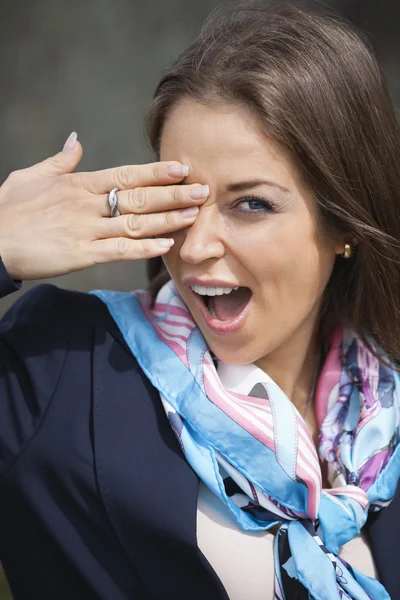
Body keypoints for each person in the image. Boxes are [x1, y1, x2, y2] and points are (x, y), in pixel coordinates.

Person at [0, 1, 399, 598]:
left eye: (251, 204)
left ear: (343, 224)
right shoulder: (62, 367)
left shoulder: (386, 411)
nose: (195, 248)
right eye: (181, 202)